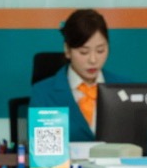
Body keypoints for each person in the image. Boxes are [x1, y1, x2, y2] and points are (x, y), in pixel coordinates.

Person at [29, 8, 129, 142]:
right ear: (67, 50)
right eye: (83, 52)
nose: (93, 60)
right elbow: (45, 151)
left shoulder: (126, 89)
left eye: (100, 50)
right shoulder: (43, 94)